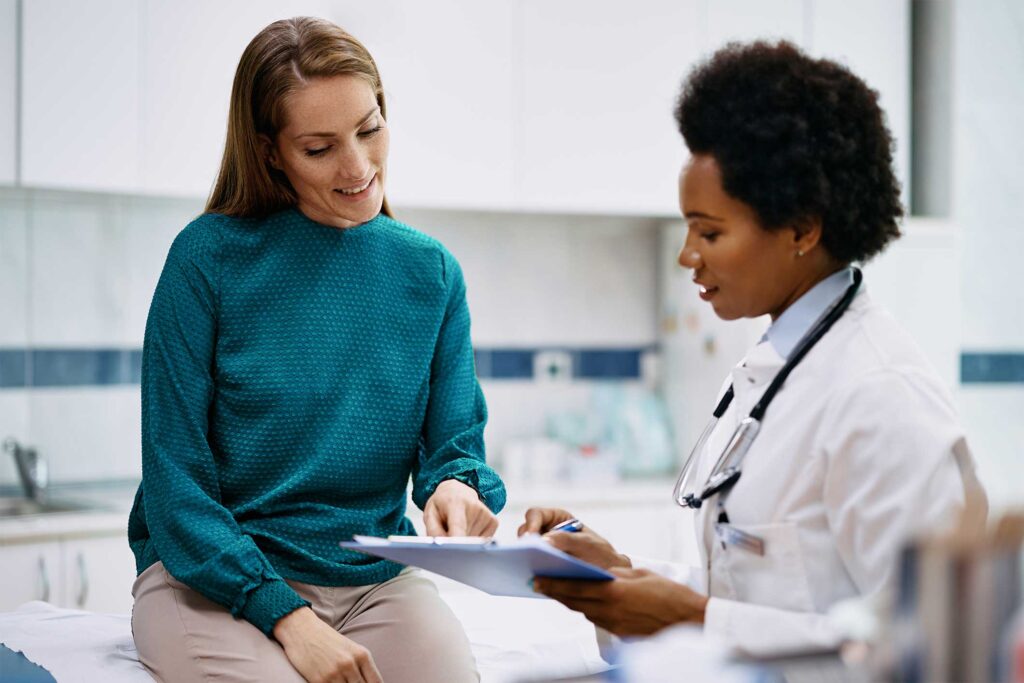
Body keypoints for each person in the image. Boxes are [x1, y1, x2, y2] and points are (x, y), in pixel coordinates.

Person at [520, 41, 986, 656]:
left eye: (709, 231)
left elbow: (932, 641)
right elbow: (761, 597)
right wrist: (618, 574)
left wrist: (694, 619)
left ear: (801, 229)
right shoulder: (771, 371)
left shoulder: (881, 394)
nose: (688, 256)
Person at [127, 17, 505, 683]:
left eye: (370, 127)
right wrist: (288, 617)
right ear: (271, 152)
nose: (359, 167)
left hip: (370, 581)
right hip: (211, 578)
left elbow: (454, 447)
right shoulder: (206, 261)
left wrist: (453, 486)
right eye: (319, 147)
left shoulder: (432, 274)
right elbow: (175, 487)